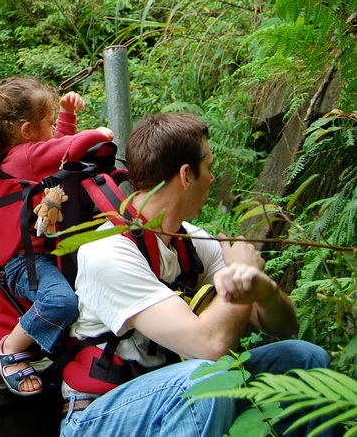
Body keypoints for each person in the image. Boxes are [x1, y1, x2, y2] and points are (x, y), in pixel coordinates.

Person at [61, 112, 330, 437]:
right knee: (205, 377)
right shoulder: (108, 251)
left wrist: (265, 291)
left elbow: (283, 327)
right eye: (210, 167)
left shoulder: (192, 241)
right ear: (186, 174)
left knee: (301, 358)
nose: (213, 179)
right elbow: (209, 346)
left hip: (174, 395)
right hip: (98, 414)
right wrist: (241, 272)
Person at [0, 77, 114, 396]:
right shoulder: (23, 159)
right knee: (61, 302)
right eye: (48, 123)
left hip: (45, 253)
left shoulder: (25, 154)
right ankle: (10, 348)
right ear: (26, 131)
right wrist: (97, 135)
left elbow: (59, 150)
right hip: (24, 263)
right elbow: (65, 148)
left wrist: (66, 115)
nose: (53, 129)